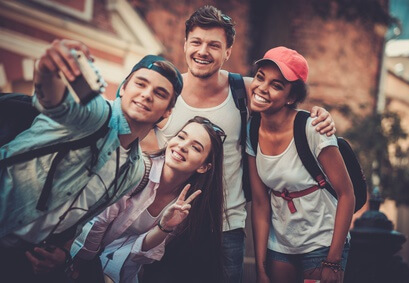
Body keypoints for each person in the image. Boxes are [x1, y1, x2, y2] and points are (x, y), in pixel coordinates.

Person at [141, 5, 337, 283]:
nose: (203, 51)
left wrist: (319, 112)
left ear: (227, 52)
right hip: (168, 226)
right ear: (184, 44)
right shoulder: (167, 93)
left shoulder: (243, 90)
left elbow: (282, 98)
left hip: (225, 229)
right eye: (196, 42)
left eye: (214, 45)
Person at [0, 39, 183, 282]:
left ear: (167, 111)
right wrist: (47, 67)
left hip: (21, 258)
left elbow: (78, 217)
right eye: (141, 83)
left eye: (160, 93)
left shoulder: (134, 171)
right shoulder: (94, 113)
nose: (147, 94)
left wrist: (63, 253)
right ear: (124, 88)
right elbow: (56, 99)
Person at [69, 116, 225, 283]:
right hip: (81, 260)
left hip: (123, 271)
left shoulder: (186, 205)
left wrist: (164, 227)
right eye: (181, 136)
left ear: (203, 167)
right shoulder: (137, 171)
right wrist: (83, 264)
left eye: (195, 147)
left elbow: (141, 255)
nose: (182, 146)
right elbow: (98, 222)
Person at [247, 46, 355, 283]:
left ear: (292, 97)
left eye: (277, 85)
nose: (262, 88)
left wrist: (333, 260)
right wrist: (260, 267)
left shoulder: (313, 129)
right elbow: (261, 203)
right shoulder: (252, 129)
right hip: (281, 243)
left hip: (322, 242)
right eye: (260, 77)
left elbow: (347, 194)